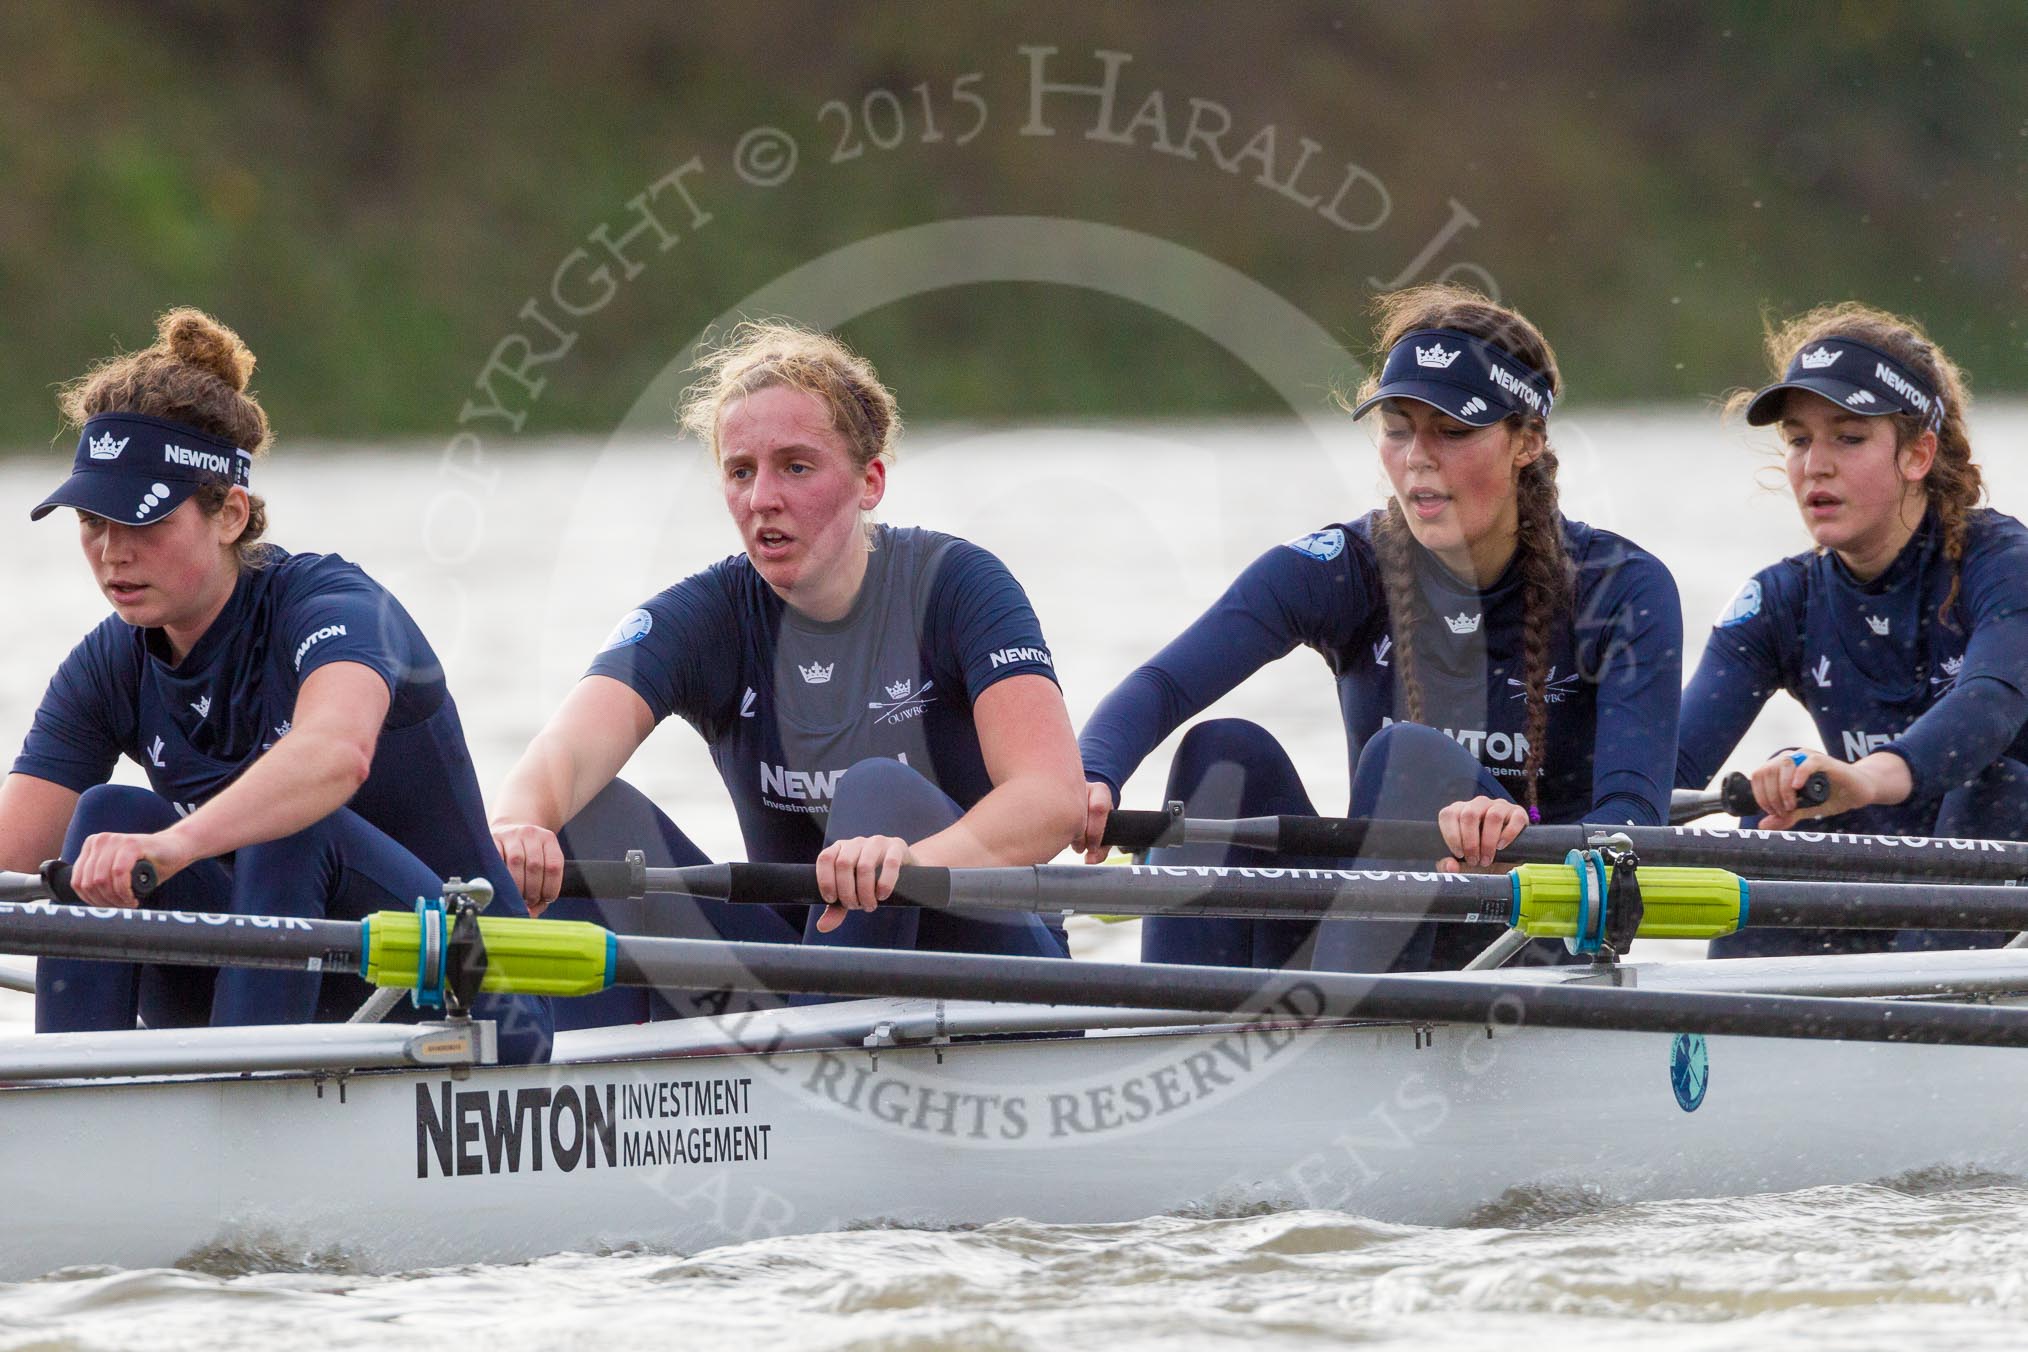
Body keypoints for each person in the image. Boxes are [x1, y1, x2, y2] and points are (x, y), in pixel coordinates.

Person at [490, 320, 1085, 1028]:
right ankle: (585, 1092)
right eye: (741, 471)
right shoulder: (706, 616)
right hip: (809, 979)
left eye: (795, 467)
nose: (761, 498)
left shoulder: (960, 586)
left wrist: (911, 865)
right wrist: (518, 827)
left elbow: (1052, 798)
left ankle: (810, 1075)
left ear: (870, 482)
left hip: (992, 971)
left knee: (878, 792)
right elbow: (560, 758)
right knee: (582, 817)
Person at [1076, 284, 1682, 972]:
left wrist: (1528, 840)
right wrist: (1093, 774)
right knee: (1222, 753)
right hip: (1380, 936)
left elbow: (1632, 825)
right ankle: (1184, 1033)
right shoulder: (1343, 570)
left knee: (1408, 759)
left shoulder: (1621, 587)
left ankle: (1331, 1036)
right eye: (1397, 429)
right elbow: (1162, 684)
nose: (1418, 457)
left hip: (1529, 937)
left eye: (1452, 432)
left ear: (1528, 440)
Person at [0, 308, 551, 1060]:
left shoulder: (333, 607)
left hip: (474, 999)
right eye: (92, 522)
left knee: (294, 818)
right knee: (102, 816)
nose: (111, 553)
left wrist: (171, 847)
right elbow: (10, 854)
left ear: (228, 514)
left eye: (142, 521)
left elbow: (335, 754)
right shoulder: (109, 665)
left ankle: (241, 1106)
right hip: (284, 989)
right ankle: (66, 1098)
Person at [1677, 303, 2028, 957]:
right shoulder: (1781, 601)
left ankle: (1920, 1018)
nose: (1816, 465)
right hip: (1903, 892)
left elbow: (1992, 702)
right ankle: (1749, 1038)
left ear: (1918, 453)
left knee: (1996, 788)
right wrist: (1518, 819)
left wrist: (1866, 777)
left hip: (2007, 883)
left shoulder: (2002, 563)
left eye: (1849, 436)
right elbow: (1658, 767)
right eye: (1799, 439)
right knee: (1773, 823)